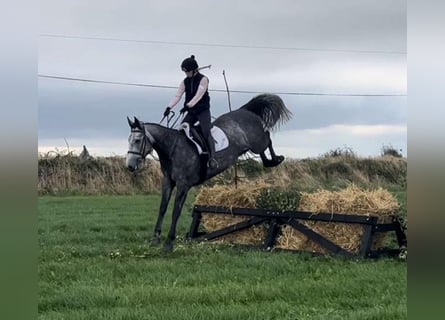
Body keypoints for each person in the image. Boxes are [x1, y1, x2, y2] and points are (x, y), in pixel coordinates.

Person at [163, 55, 218, 169]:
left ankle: (212, 158)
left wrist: (188, 105)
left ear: (193, 70)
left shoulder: (203, 79)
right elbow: (178, 95)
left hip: (202, 111)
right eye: (185, 72)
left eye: (187, 72)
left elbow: (199, 95)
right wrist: (169, 107)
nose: (186, 74)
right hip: (192, 112)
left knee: (206, 131)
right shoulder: (184, 82)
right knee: (181, 129)